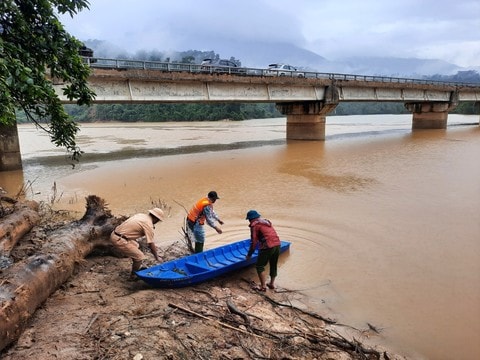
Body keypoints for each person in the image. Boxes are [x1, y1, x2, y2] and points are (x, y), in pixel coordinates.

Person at [110, 207, 164, 278]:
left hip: (115, 234)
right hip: (119, 239)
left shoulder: (141, 215)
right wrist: (156, 257)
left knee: (136, 245)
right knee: (140, 257)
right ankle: (133, 276)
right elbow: (151, 243)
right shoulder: (148, 224)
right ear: (156, 219)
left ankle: (136, 264)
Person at [245, 210, 281, 292]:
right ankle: (271, 284)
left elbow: (254, 242)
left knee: (259, 266)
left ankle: (263, 286)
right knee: (273, 264)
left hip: (268, 246)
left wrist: (249, 255)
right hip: (277, 244)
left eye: (249, 219)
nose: (249, 221)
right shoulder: (266, 222)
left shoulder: (255, 225)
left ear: (251, 219)